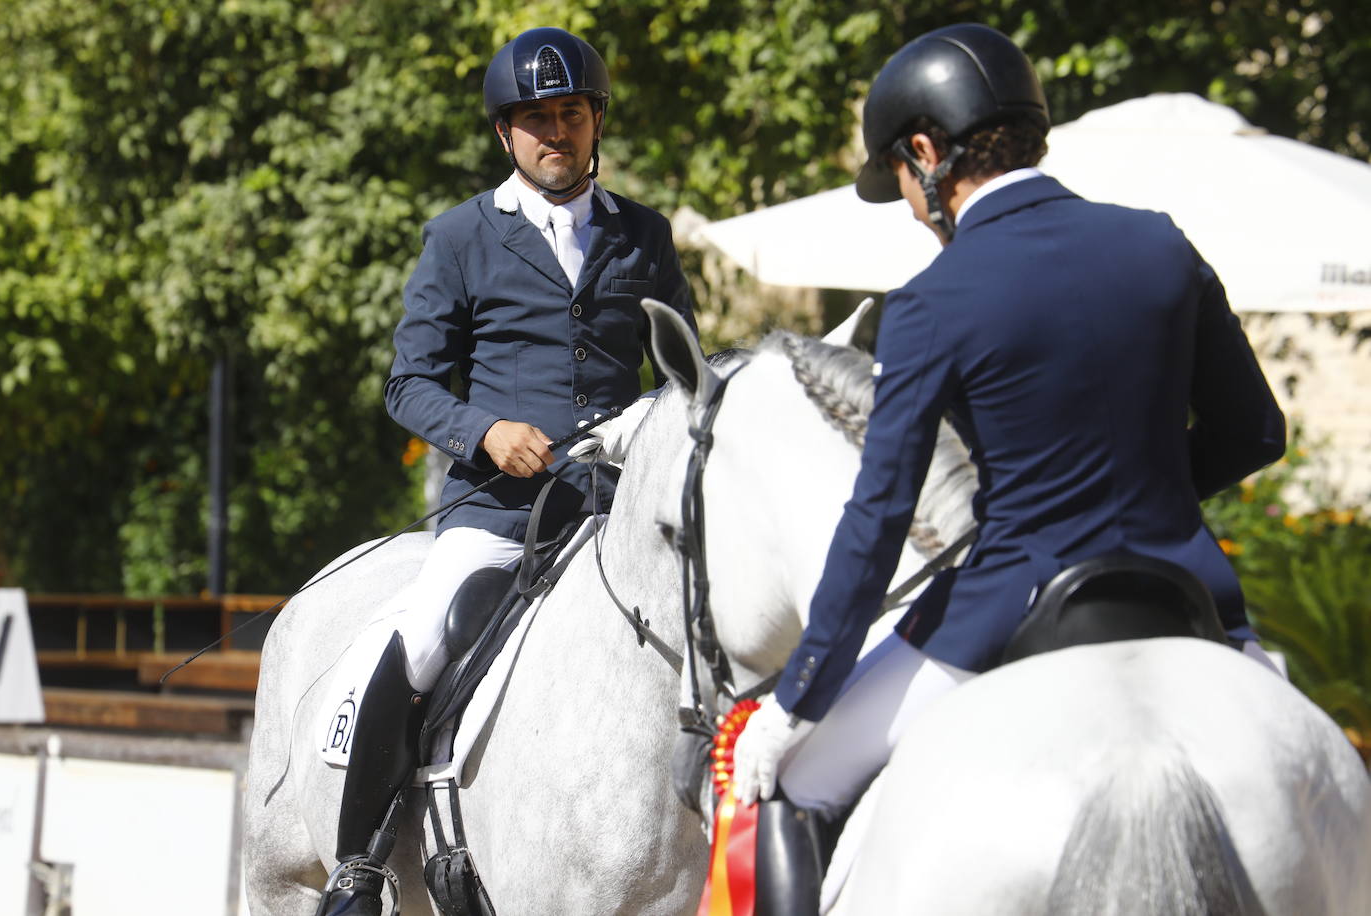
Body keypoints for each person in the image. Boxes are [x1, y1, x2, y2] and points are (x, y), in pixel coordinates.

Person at [730, 22, 1287, 913]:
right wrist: (1153, 492)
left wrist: (793, 704)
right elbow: (1257, 431)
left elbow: (877, 524)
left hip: (1005, 606)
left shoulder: (930, 302)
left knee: (788, 790)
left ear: (925, 152)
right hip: (1191, 593)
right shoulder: (1162, 244)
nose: (913, 209)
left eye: (905, 187)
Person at [315, 27, 697, 915]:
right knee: (423, 643)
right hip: (497, 511)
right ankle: (358, 866)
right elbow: (406, 385)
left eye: (570, 113)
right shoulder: (459, 237)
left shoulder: (645, 235)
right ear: (505, 135)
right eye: (536, 119)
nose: (554, 133)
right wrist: (485, 433)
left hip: (611, 511)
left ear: (596, 121)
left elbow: (684, 375)